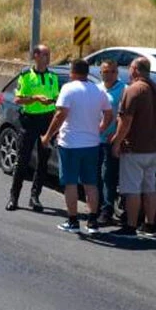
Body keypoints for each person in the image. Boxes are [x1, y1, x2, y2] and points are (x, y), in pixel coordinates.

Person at [41, 59, 113, 233]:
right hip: (92, 144)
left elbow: (60, 114)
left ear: (72, 72)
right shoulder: (98, 90)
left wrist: (47, 136)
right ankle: (92, 221)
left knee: (70, 183)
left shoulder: (68, 89)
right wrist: (100, 128)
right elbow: (109, 113)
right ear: (87, 73)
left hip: (70, 143)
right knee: (91, 183)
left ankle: (73, 221)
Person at [109, 57, 156, 237]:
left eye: (130, 68)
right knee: (150, 187)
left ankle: (131, 226)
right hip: (153, 147)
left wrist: (117, 142)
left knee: (132, 188)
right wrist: (153, 134)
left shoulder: (134, 90)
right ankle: (149, 225)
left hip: (135, 148)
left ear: (135, 69)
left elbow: (125, 121)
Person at [6, 44, 59, 213]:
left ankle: (35, 196)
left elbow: (56, 98)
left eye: (49, 54)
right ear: (35, 56)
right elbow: (18, 99)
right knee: (22, 160)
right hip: (29, 121)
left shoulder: (53, 77)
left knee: (43, 161)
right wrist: (35, 99)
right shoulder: (26, 75)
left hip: (47, 121)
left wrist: (51, 102)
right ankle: (14, 196)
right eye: (44, 54)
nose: (47, 57)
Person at [96, 60, 126, 224]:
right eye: (106, 72)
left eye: (113, 71)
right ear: (101, 73)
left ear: (117, 72)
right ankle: (96, 206)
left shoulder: (124, 90)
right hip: (95, 139)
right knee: (96, 176)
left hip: (111, 140)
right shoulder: (97, 88)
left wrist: (117, 137)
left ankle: (106, 211)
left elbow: (125, 117)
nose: (109, 75)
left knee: (108, 176)